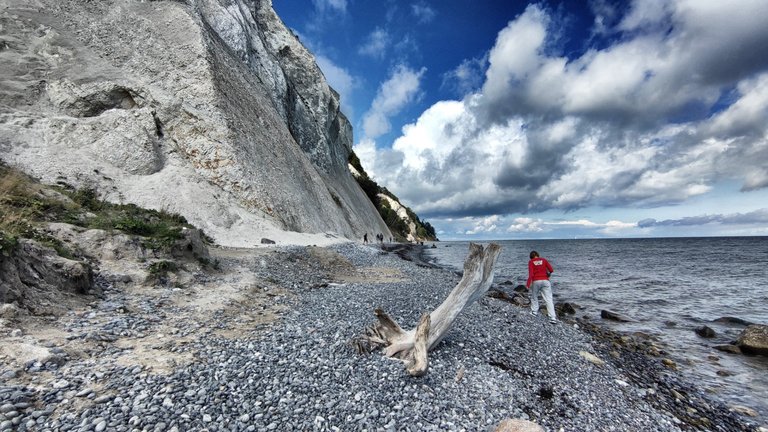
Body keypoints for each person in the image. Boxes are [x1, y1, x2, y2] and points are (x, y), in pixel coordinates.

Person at [526, 250, 557, 324]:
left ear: (531, 257)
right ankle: (552, 317)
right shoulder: (544, 260)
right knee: (548, 299)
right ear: (538, 255)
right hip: (545, 281)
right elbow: (551, 270)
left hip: (536, 281)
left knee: (534, 297)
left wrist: (528, 284)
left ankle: (534, 312)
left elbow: (531, 274)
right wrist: (547, 274)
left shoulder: (531, 262)